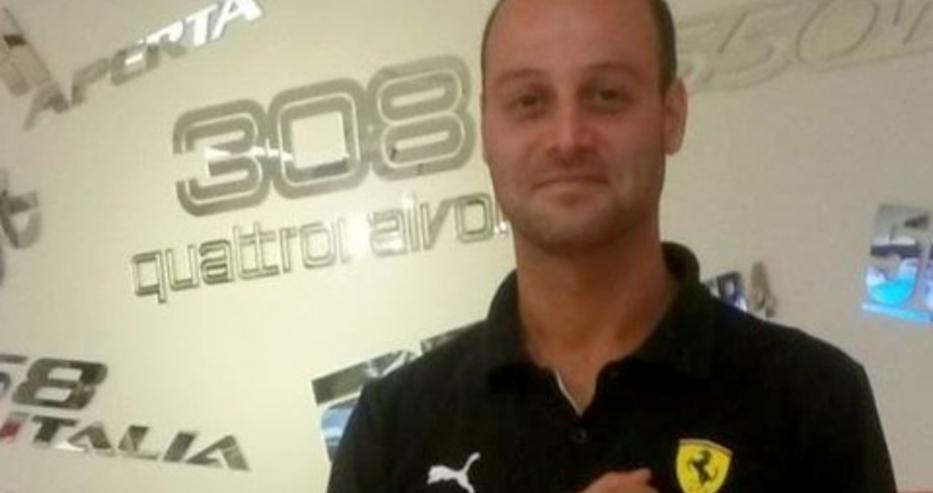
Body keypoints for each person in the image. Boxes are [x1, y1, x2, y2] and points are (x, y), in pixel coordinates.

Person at [327, 0, 898, 491]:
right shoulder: (392, 427)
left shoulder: (813, 399)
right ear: (486, 129)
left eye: (606, 95)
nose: (567, 139)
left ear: (671, 115)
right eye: (529, 101)